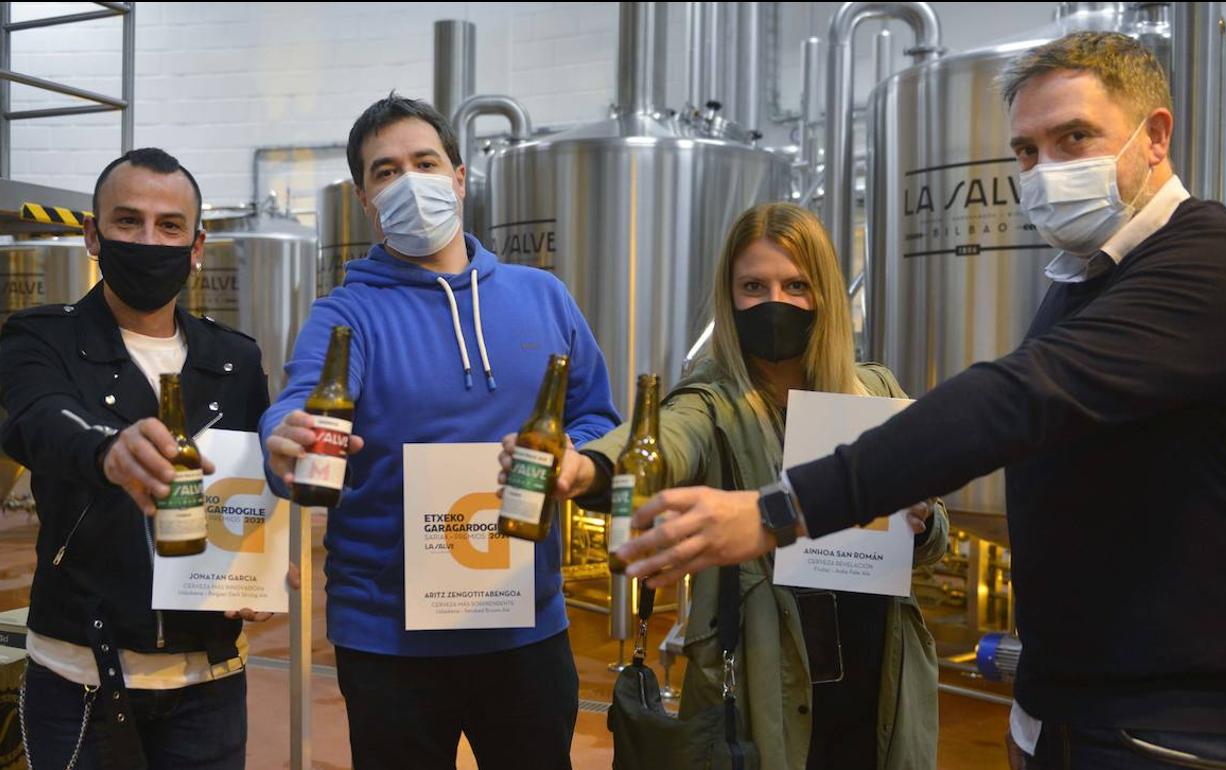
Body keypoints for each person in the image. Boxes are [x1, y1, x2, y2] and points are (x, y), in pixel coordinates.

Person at [616, 32, 1226, 769]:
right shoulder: (1085, 276)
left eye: (1075, 137)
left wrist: (773, 511)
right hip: (1071, 707)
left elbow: (1014, 399)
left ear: (1156, 135)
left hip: (1167, 728)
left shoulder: (1211, 264)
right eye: (1026, 151)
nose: (1046, 170)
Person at [500, 202, 948, 769]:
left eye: (796, 285)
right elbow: (662, 441)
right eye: (754, 286)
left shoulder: (875, 392)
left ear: (826, 295)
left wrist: (925, 518)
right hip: (766, 691)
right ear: (730, 298)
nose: (775, 303)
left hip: (879, 681)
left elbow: (931, 541)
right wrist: (587, 468)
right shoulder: (712, 400)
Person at [260, 93, 619, 770]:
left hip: (524, 621)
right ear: (366, 200)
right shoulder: (346, 313)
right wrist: (286, 434)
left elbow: (600, 417)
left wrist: (573, 457)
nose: (409, 182)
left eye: (425, 162)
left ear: (458, 177)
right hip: (388, 639)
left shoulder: (543, 296)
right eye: (386, 171)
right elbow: (302, 400)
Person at [0, 148, 273, 770]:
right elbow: (39, 420)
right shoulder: (41, 336)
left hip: (209, 679)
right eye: (128, 222)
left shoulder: (234, 358)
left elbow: (243, 490)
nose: (149, 240)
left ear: (196, 245)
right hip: (79, 677)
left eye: (169, 226)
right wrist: (107, 448)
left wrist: (252, 566)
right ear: (93, 234)